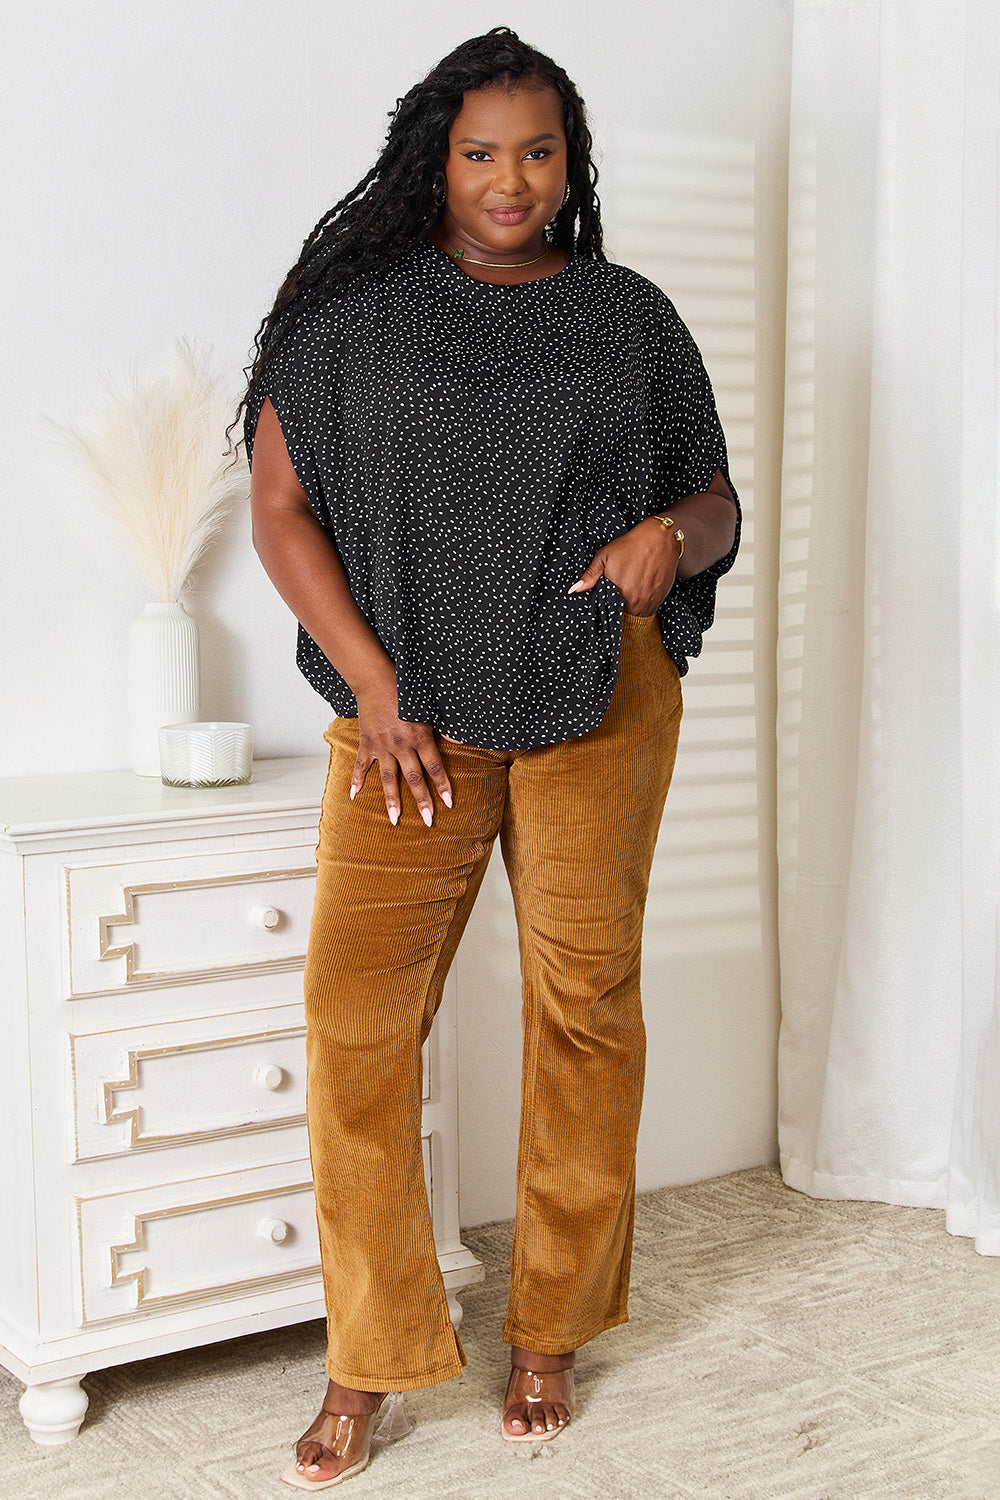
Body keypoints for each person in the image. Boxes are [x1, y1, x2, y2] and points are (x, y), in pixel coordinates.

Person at [236, 25, 740, 1490]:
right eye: (479, 152)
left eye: (537, 151)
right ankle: (370, 1356)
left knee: (585, 1007)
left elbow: (714, 504)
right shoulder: (351, 320)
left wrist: (670, 536)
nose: (509, 180)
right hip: (409, 731)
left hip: (600, 696)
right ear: (432, 161)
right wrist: (378, 684)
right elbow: (282, 509)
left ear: (569, 162)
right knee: (355, 1027)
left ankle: (551, 1327)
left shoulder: (627, 319)